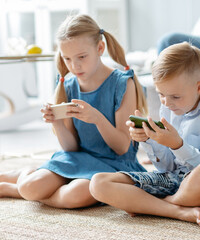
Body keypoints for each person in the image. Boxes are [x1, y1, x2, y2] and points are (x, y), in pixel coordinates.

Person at [0, 14, 148, 208]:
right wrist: (57, 122)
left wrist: (97, 118)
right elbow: (71, 148)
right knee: (30, 187)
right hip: (77, 159)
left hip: (113, 165)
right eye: (67, 58)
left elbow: (121, 147)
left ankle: (11, 189)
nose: (74, 66)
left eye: (82, 57)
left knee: (74, 196)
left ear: (100, 48)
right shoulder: (68, 85)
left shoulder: (123, 83)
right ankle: (26, 179)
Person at [89, 42, 200, 228]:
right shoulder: (170, 103)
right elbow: (166, 167)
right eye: (161, 94)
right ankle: (177, 211)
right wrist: (148, 139)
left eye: (175, 97)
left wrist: (177, 144)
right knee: (98, 183)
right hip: (173, 181)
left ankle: (153, 206)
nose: (167, 103)